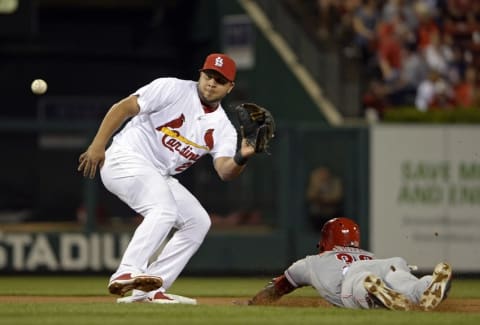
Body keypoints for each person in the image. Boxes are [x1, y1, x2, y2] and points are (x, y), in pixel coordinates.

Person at [77, 53, 258, 304]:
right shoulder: (172, 88)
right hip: (125, 158)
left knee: (198, 222)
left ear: (230, 87)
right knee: (163, 209)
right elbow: (124, 107)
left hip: (158, 174)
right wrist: (98, 145)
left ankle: (149, 291)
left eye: (220, 80)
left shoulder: (223, 128)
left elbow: (225, 171)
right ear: (200, 74)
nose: (211, 83)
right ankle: (127, 270)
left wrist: (242, 157)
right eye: (209, 76)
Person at [245, 217, 452, 311]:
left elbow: (279, 287)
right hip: (388, 263)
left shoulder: (311, 262)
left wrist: (253, 303)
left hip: (356, 275)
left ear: (325, 240)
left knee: (357, 285)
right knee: (404, 280)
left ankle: (373, 292)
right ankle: (426, 285)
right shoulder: (368, 254)